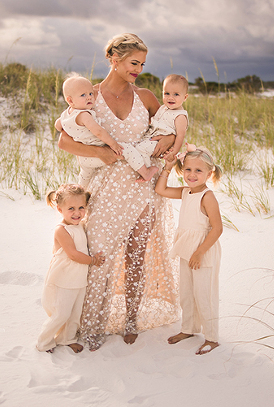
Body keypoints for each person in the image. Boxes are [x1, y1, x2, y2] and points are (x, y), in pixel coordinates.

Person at [57, 33, 180, 350]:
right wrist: (99, 153)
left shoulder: (147, 97)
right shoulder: (88, 96)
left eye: (142, 63)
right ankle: (92, 322)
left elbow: (169, 129)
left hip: (142, 190)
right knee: (100, 257)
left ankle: (131, 320)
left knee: (137, 255)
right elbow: (63, 140)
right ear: (113, 58)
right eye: (132, 62)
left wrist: (166, 144)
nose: (138, 68)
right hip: (105, 191)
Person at [155, 145, 223, 355]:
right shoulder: (186, 192)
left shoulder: (207, 197)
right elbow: (161, 190)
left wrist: (200, 252)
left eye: (198, 171)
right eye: (188, 170)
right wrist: (167, 168)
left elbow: (217, 228)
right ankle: (189, 329)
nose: (192, 175)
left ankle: (212, 337)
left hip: (203, 250)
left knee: (204, 293)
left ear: (209, 174)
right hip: (186, 248)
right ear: (181, 170)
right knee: (187, 292)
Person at [55, 74, 159, 187]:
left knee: (85, 177)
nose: (89, 97)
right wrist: (113, 144)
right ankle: (145, 172)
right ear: (70, 100)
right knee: (127, 150)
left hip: (84, 158)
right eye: (83, 95)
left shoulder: (66, 115)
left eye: (90, 93)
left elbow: (58, 126)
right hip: (98, 153)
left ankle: (81, 192)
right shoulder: (84, 115)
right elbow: (98, 131)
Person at [37, 184, 105, 353]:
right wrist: (93, 261)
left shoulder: (80, 226)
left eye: (81, 208)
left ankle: (67, 338)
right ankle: (44, 342)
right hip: (64, 278)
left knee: (75, 313)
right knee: (61, 313)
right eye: (71, 208)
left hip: (79, 278)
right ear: (60, 209)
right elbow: (73, 254)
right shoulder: (62, 230)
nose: (77, 213)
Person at [144, 74, 190, 162]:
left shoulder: (180, 116)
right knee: (136, 150)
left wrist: (173, 152)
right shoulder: (163, 108)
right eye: (167, 93)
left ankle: (145, 171)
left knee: (137, 151)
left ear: (185, 97)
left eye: (176, 94)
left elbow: (180, 136)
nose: (170, 97)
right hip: (150, 138)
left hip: (159, 145)